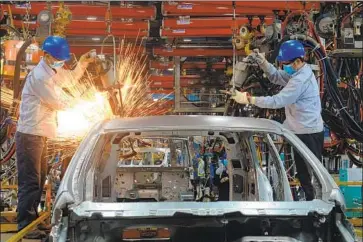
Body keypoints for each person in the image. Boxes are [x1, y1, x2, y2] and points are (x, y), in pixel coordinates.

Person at [15, 35, 94, 238]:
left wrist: (83, 63)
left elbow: (69, 79)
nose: (61, 61)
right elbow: (59, 103)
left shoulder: (52, 70)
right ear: (47, 55)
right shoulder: (41, 76)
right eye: (58, 58)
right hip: (30, 135)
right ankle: (25, 225)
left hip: (39, 135)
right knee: (31, 182)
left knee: (39, 180)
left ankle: (33, 221)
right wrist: (84, 101)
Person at [231, 40, 324, 201]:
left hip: (309, 133)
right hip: (299, 131)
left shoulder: (300, 81)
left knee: (314, 173)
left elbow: (277, 101)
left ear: (297, 61)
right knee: (302, 172)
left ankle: (319, 203)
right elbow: (276, 76)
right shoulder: (297, 73)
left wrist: (248, 99)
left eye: (285, 63)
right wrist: (263, 62)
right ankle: (310, 201)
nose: (283, 66)